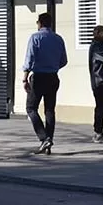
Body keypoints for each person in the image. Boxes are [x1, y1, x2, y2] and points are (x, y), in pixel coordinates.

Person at [22, 12, 67, 154]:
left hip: (39, 77)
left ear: (39, 23)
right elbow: (64, 60)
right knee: (49, 110)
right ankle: (49, 140)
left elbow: (29, 58)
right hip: (53, 76)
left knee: (31, 108)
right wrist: (53, 67)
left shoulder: (35, 37)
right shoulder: (58, 39)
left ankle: (43, 137)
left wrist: (25, 77)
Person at [88, 25, 103, 142]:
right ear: (97, 34)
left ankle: (99, 131)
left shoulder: (97, 47)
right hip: (100, 81)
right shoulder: (97, 48)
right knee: (101, 107)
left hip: (100, 81)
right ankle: (98, 132)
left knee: (102, 107)